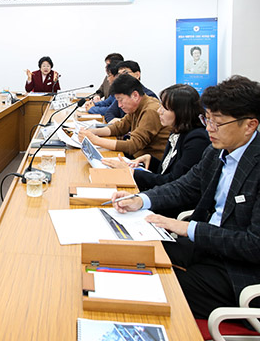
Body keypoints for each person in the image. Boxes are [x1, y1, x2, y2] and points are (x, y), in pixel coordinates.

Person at [111, 75, 260, 320]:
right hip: (204, 247)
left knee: (154, 288)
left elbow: (253, 244)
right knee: (132, 254)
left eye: (217, 123)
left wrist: (188, 228)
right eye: (207, 119)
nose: (209, 128)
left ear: (249, 125)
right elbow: (183, 187)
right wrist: (141, 200)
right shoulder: (216, 151)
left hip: (237, 270)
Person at [102, 84, 210, 196]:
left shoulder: (196, 140)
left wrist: (131, 172)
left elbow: (172, 182)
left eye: (165, 108)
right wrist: (151, 160)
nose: (159, 111)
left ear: (181, 112)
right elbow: (167, 171)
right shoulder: (177, 131)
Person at [78, 75, 171, 160]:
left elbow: (133, 145)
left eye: (120, 100)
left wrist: (95, 140)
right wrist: (92, 132)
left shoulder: (150, 110)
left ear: (135, 95)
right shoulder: (137, 106)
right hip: (137, 157)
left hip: (149, 163)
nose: (119, 105)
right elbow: (119, 127)